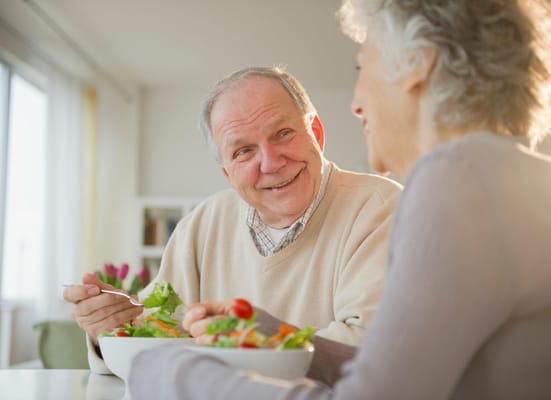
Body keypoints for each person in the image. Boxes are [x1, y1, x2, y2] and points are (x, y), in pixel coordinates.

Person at [127, 0, 551, 399]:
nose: (356, 102)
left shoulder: (458, 179)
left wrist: (168, 371)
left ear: (419, 64)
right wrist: (274, 335)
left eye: (362, 66)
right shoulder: (505, 175)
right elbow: (398, 375)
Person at [63, 66, 402, 377]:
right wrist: (112, 326)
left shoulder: (381, 209)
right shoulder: (202, 224)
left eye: (283, 133)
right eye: (243, 151)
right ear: (226, 172)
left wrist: (244, 345)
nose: (270, 163)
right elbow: (157, 335)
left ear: (315, 131)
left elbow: (374, 351)